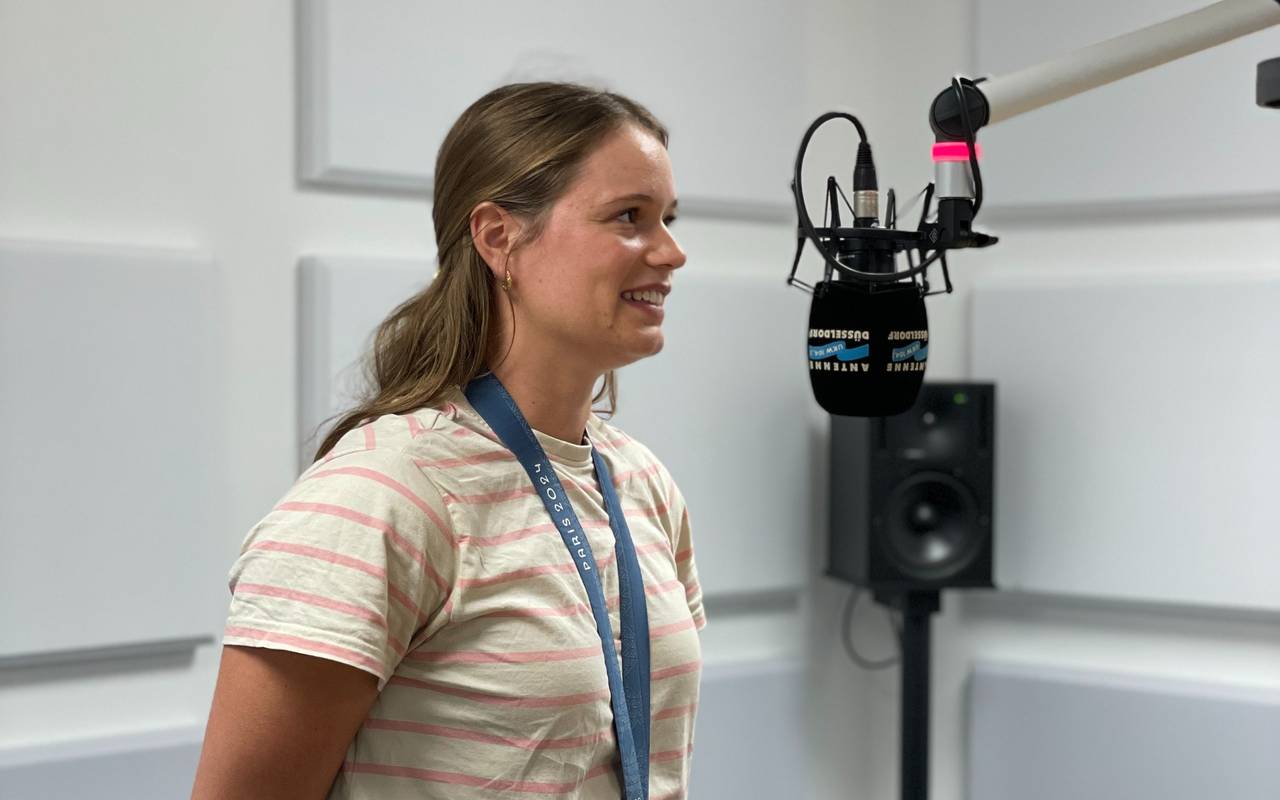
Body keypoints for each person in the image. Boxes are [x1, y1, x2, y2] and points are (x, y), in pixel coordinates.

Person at [191, 81, 705, 800]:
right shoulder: (380, 498)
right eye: (630, 217)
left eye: (669, 218)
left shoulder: (641, 484)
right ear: (499, 238)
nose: (673, 252)